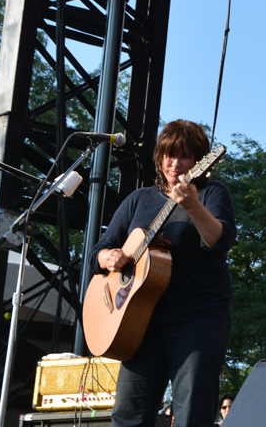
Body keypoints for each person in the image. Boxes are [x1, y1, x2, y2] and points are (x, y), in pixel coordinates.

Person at [90, 120, 236, 427]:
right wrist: (110, 256)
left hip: (197, 319)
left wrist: (194, 207)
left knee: (192, 415)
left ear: (200, 161)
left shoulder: (211, 194)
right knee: (127, 418)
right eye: (169, 154)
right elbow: (99, 250)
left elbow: (219, 241)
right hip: (140, 323)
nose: (175, 163)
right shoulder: (138, 200)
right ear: (159, 157)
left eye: (184, 156)